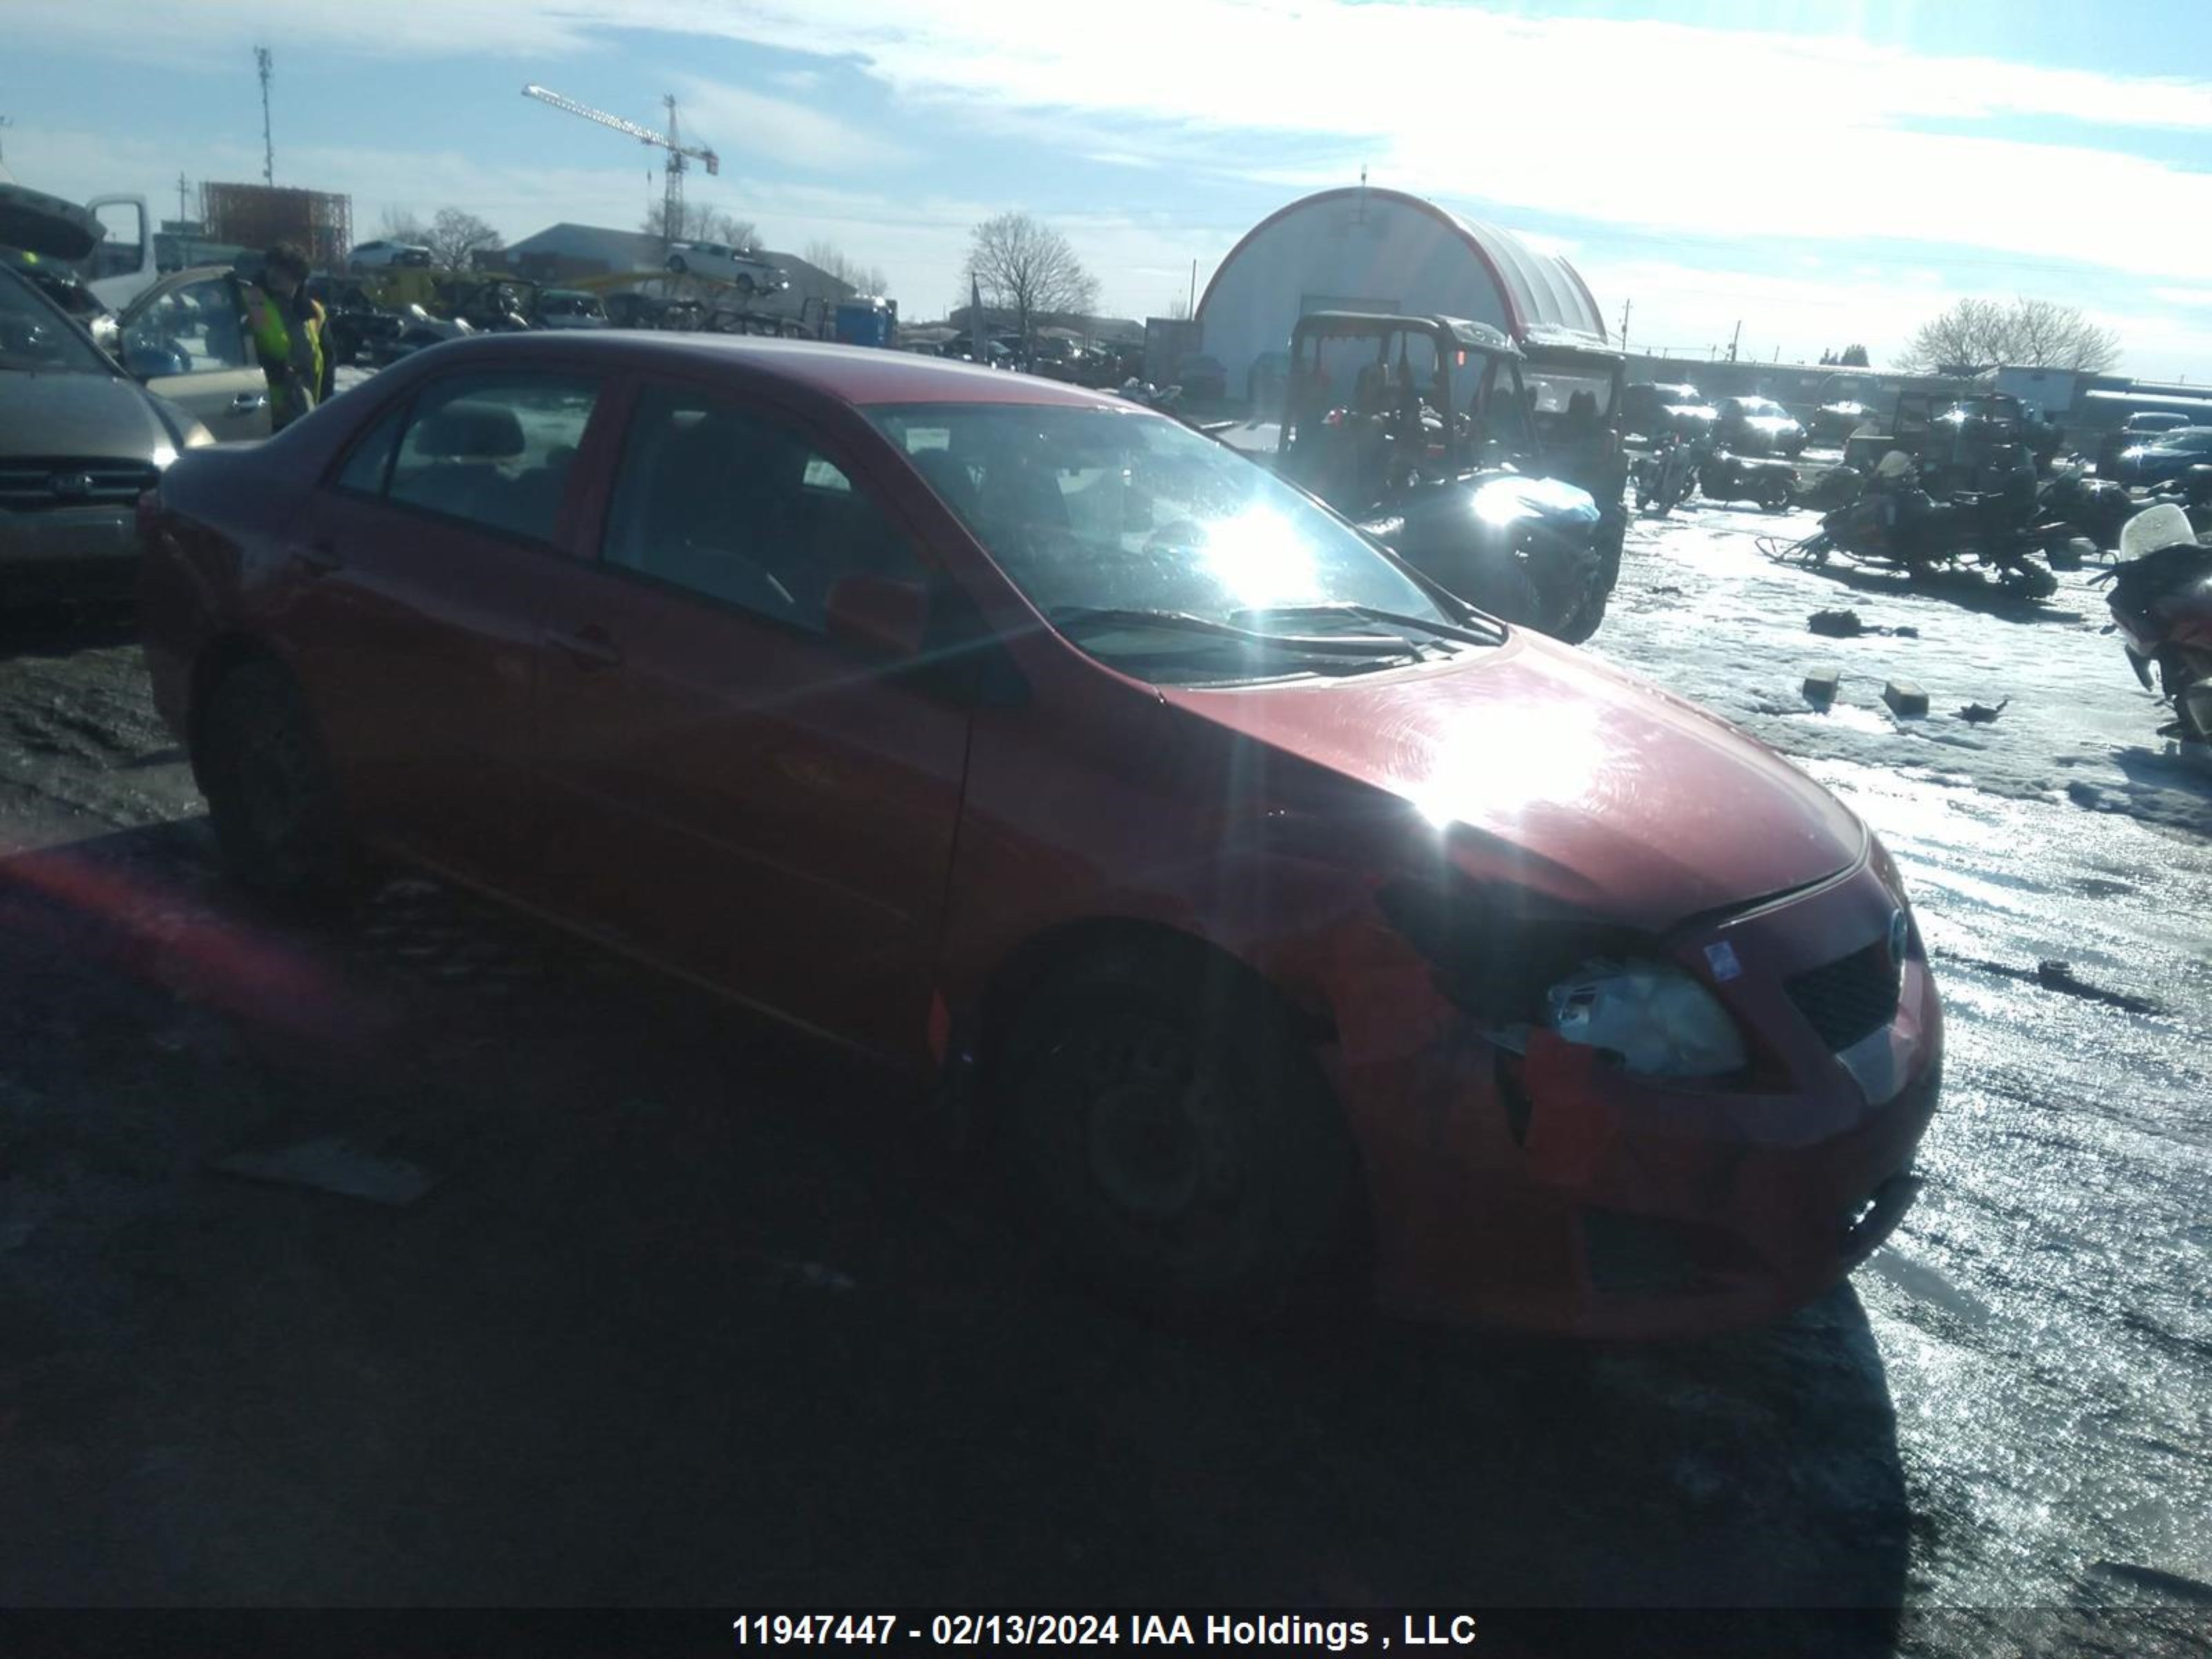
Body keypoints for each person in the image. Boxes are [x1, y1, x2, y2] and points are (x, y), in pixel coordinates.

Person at [243, 242, 326, 431]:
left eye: (281, 269)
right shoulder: (253, 302)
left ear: (298, 276)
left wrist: (327, 410)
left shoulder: (313, 312)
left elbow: (327, 364)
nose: (273, 273)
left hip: (306, 413)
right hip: (264, 414)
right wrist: (275, 370)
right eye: (270, 266)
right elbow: (231, 349)